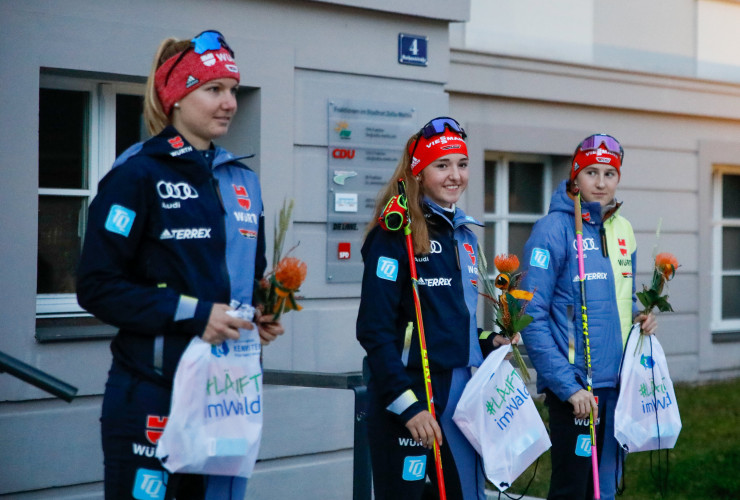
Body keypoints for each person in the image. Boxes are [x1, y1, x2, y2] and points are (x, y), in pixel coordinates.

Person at [76, 30, 283, 500]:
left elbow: (248, 276)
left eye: (232, 89)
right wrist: (195, 313)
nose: (229, 102)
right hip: (153, 392)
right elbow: (97, 286)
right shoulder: (137, 173)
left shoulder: (241, 181)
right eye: (213, 90)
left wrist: (262, 308)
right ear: (175, 99)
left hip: (227, 397)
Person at [356, 117, 515, 500]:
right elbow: (375, 330)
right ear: (418, 173)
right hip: (411, 398)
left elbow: (445, 322)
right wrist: (407, 407)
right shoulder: (394, 234)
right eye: (442, 165)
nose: (455, 175)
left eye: (461, 164)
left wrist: (487, 340)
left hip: (462, 394)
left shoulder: (463, 234)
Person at [520, 134, 657, 500]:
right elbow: (529, 314)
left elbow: (618, 300)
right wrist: (567, 386)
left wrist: (641, 318)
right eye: (591, 172)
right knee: (573, 488)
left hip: (618, 384)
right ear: (574, 176)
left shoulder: (621, 228)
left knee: (606, 486)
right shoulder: (552, 230)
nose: (600, 182)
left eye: (610, 173)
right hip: (577, 388)